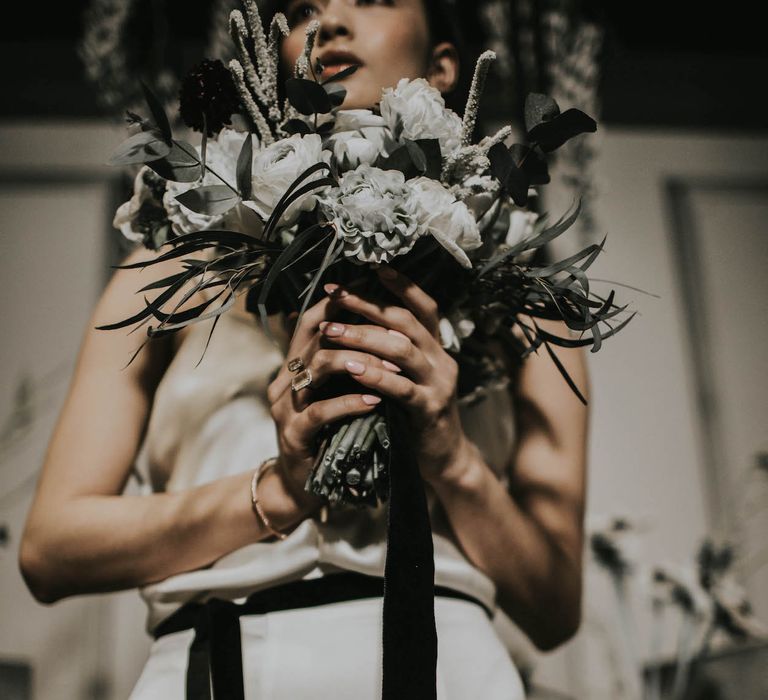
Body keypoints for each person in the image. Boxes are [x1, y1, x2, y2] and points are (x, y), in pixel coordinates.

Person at [19, 0, 590, 697]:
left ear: (445, 66)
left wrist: (451, 457)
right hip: (221, 661)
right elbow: (51, 549)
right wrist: (279, 488)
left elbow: (555, 608)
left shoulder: (520, 287)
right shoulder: (171, 262)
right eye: (300, 8)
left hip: (450, 667)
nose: (332, 21)